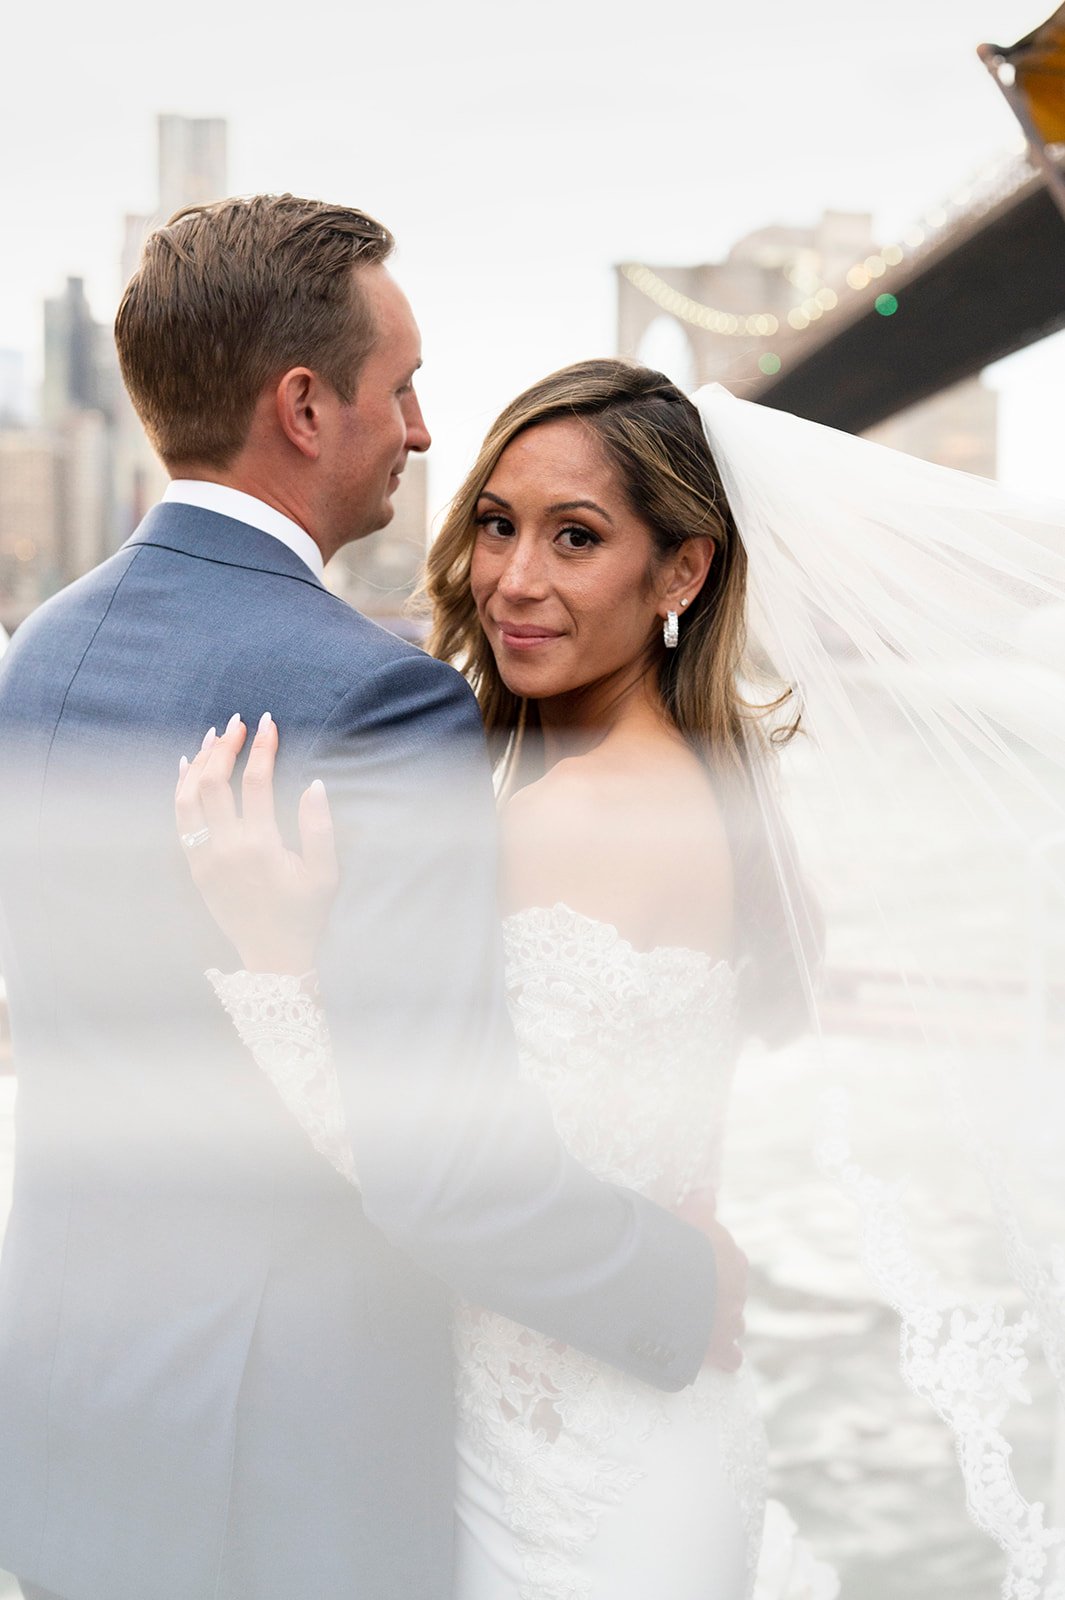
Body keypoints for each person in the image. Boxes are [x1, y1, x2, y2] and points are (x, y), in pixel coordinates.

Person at [0, 198, 747, 1600]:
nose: (417, 429)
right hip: (288, 1472)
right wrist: (681, 1287)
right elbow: (442, 1165)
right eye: (399, 387)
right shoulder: (379, 700)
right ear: (302, 404)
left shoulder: (39, 654)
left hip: (67, 1426)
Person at [174, 359, 824, 1599]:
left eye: (576, 537)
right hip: (643, 1425)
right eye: (496, 523)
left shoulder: (576, 814)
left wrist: (275, 957)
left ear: (681, 571)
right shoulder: (693, 778)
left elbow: (445, 1168)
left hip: (564, 1474)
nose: (515, 580)